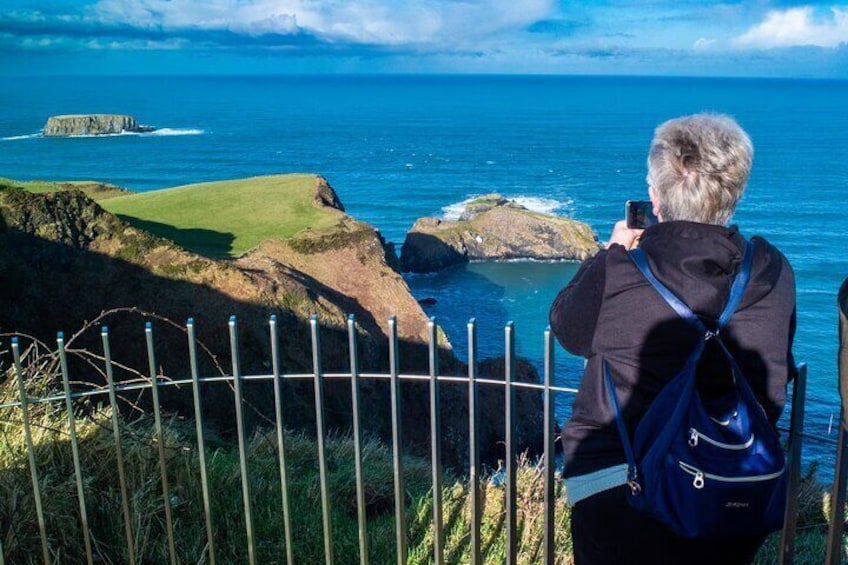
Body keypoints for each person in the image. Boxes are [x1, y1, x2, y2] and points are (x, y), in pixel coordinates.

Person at [549, 113, 797, 564]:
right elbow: (778, 364)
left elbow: (567, 329)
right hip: (733, 480)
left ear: (655, 197)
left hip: (618, 482)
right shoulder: (772, 270)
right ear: (733, 192)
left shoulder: (621, 269)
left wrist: (610, 253)